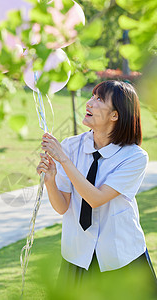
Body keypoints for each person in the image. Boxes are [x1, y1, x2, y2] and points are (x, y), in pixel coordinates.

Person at [36, 80, 157, 298]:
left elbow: (96, 198)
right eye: (92, 96)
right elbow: (63, 207)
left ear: (115, 115)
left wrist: (63, 160)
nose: (89, 103)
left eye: (99, 99)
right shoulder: (71, 146)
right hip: (78, 256)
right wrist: (50, 181)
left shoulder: (134, 157)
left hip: (121, 257)